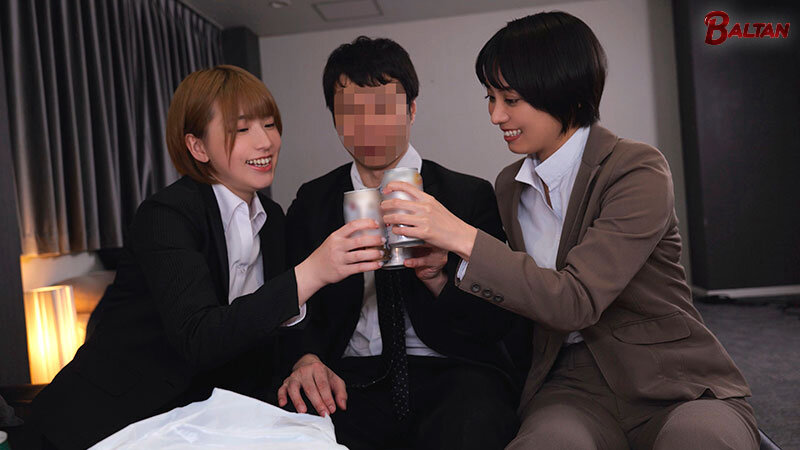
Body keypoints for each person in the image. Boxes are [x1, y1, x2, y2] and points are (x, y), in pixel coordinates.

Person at [380, 12, 759, 450]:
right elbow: (523, 294)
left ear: (566, 94)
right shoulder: (509, 186)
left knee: (702, 441)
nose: (496, 115)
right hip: (570, 385)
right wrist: (444, 272)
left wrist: (460, 235)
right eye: (490, 97)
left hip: (671, 376)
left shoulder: (636, 169)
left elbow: (576, 300)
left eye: (510, 99)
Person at [31, 65, 384, 450]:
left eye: (269, 124)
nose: (265, 142)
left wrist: (304, 359)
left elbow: (269, 323)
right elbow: (199, 337)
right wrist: (312, 272)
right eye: (242, 129)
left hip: (212, 408)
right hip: (122, 415)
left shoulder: (272, 219)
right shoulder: (166, 216)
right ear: (198, 147)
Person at [278, 37, 519, 449]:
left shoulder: (467, 196)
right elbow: (291, 303)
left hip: (453, 370)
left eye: (382, 109)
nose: (367, 126)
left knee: (475, 421)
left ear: (411, 109)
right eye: (350, 112)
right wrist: (306, 358)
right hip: (348, 376)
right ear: (334, 119)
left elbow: (497, 319)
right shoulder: (312, 202)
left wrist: (438, 277)